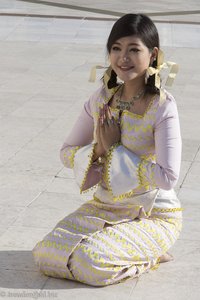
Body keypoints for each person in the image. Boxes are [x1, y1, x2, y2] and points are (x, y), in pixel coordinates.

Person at [33, 13, 182, 286]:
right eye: (116, 48)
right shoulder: (101, 99)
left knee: (90, 262)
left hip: (150, 214)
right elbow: (66, 151)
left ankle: (149, 256)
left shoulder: (162, 106)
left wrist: (116, 149)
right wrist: (99, 150)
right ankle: (130, 251)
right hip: (104, 207)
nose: (123, 58)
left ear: (153, 55)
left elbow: (168, 176)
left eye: (134, 49)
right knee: (45, 254)